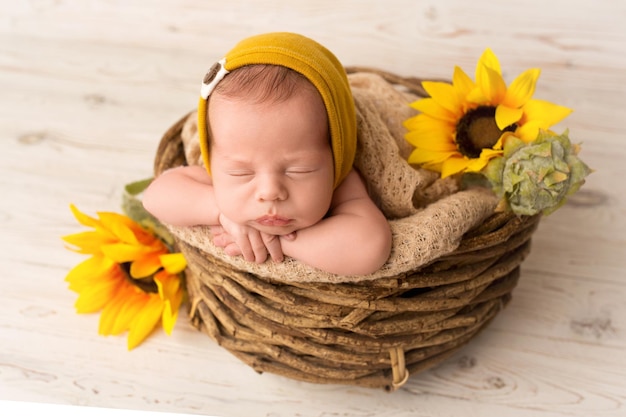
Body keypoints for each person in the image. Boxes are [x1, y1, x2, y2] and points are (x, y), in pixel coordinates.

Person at [143, 32, 392, 276]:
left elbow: (370, 247)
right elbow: (155, 196)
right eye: (241, 172)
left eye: (298, 170)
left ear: (336, 155)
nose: (269, 191)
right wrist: (220, 212)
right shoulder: (220, 176)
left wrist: (278, 242)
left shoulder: (342, 181)